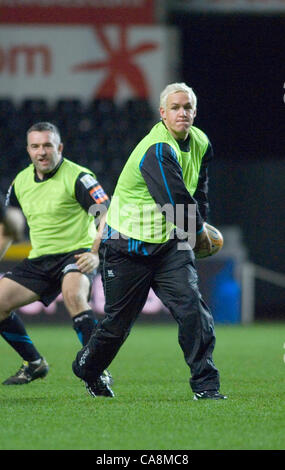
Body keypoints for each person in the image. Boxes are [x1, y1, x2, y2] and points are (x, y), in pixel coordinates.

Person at [72, 82, 227, 400]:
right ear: (162, 113)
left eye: (187, 107)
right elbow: (174, 201)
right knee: (117, 325)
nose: (182, 113)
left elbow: (199, 190)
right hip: (126, 246)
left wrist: (200, 223)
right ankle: (88, 369)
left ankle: (206, 386)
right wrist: (197, 233)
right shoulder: (157, 149)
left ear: (195, 112)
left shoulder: (201, 143)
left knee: (193, 311)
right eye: (175, 108)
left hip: (169, 245)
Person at [0, 122, 112, 390]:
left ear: (59, 147)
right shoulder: (20, 183)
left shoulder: (79, 176)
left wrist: (96, 253)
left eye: (48, 145)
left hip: (77, 252)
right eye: (36, 146)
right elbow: (8, 231)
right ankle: (35, 364)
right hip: (40, 259)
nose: (42, 152)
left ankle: (96, 370)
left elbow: (106, 216)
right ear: (28, 150)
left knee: (73, 294)